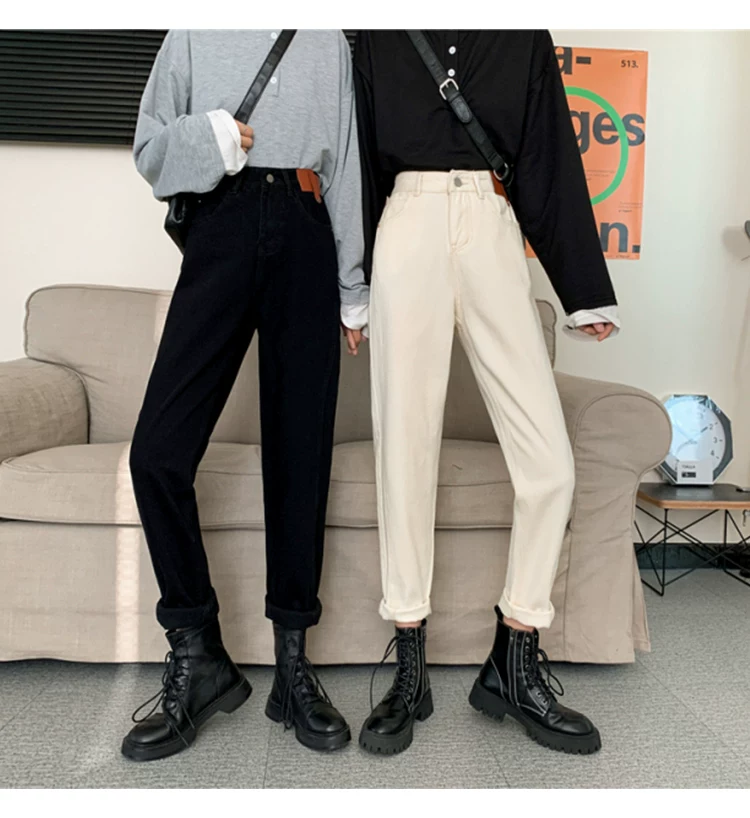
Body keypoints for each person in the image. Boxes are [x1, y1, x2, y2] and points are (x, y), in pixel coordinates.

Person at [354, 29, 619, 757]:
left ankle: (514, 655)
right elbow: (358, 164)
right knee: (404, 450)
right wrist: (350, 288)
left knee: (550, 465)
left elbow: (548, 157)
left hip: (493, 225)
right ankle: (409, 666)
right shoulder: (377, 35)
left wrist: (583, 291)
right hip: (404, 226)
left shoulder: (521, 35)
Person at [121, 29, 368, 761]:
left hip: (306, 230)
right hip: (220, 227)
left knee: (300, 459)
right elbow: (150, 150)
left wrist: (353, 288)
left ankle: (293, 667)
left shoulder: (329, 40)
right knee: (157, 454)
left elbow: (347, 163)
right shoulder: (193, 30)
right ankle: (198, 652)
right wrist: (213, 138)